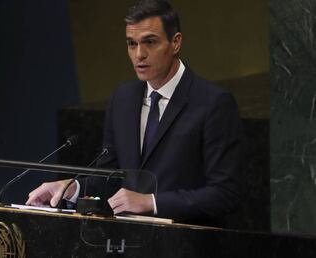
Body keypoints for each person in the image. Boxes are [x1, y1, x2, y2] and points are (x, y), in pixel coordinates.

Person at [26, 0, 243, 226]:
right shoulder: (123, 99)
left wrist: (152, 202)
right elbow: (111, 179)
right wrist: (73, 188)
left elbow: (225, 193)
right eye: (132, 44)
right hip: (127, 244)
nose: (139, 54)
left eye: (150, 42)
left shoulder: (213, 103)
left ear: (175, 42)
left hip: (185, 244)